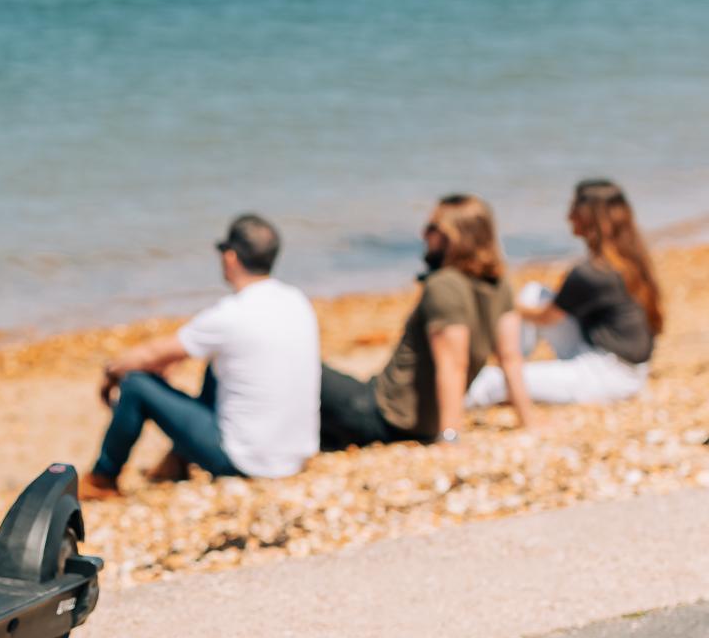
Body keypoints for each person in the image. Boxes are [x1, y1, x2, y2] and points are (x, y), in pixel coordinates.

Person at [83, 213, 320, 498]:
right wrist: (169, 361)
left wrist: (111, 372)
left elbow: (149, 354)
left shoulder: (232, 314)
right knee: (218, 366)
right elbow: (178, 352)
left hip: (247, 460)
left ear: (230, 257)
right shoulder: (296, 300)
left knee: (135, 385)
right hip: (296, 454)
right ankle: (176, 462)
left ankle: (102, 478)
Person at [320, 193, 532, 449]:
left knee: (304, 365)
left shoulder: (444, 285)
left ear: (454, 237)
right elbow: (510, 359)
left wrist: (449, 436)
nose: (423, 234)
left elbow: (453, 364)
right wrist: (528, 422)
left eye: (433, 228)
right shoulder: (500, 286)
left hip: (383, 417)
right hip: (411, 421)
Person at [468, 179, 661, 408]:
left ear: (588, 217)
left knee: (493, 381)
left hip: (607, 375)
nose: (568, 217)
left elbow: (544, 317)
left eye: (573, 209)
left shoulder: (591, 273)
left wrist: (501, 301)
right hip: (627, 365)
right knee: (534, 293)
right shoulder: (631, 261)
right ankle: (513, 364)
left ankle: (503, 376)